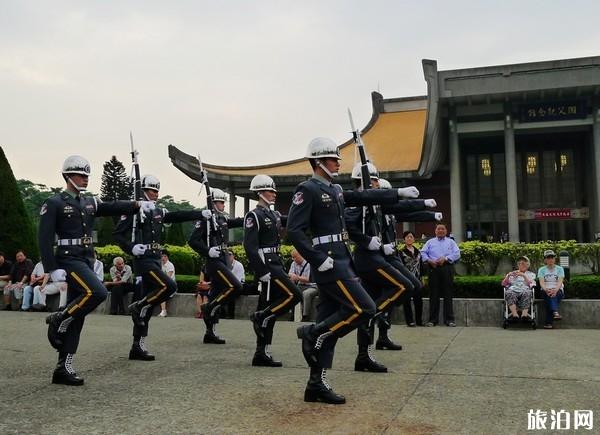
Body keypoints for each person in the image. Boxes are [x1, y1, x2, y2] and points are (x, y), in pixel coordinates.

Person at [286, 137, 420, 404]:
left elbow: (363, 196)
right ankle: (313, 334)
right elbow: (294, 230)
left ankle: (316, 384)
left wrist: (396, 193)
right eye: (334, 158)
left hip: (341, 260)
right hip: (329, 263)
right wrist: (316, 258)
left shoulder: (335, 190)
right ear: (319, 162)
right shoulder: (307, 189)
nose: (338, 162)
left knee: (330, 316)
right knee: (364, 309)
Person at [40, 155, 153, 385]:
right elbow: (43, 238)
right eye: (81, 175)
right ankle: (58, 318)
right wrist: (52, 269)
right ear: (68, 176)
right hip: (69, 260)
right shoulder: (54, 203)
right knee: (98, 292)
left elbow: (112, 206)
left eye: (87, 176)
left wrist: (136, 205)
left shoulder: (88, 202)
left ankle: (63, 367)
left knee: (77, 317)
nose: (85, 179)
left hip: (85, 259)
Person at [114, 174, 204, 361]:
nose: (155, 194)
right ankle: (138, 306)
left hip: (155, 259)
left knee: (146, 310)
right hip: (143, 260)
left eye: (156, 191)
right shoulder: (134, 210)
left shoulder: (157, 211)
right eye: (151, 190)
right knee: (169, 286)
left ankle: (137, 346)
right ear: (143, 190)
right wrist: (131, 248)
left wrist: (199, 213)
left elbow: (176, 216)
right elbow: (118, 235)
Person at [244, 174, 302, 367]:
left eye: (275, 190)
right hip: (267, 265)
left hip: (276, 262)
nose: (274, 194)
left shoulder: (273, 214)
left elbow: (292, 220)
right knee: (294, 295)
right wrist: (261, 271)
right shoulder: (254, 216)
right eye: (270, 190)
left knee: (267, 309)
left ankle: (262, 353)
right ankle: (260, 317)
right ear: (260, 192)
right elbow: (250, 248)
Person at [189, 187, 244, 345]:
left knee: (216, 294)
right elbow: (193, 241)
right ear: (212, 203)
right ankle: (209, 307)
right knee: (236, 287)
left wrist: (251, 217)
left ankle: (210, 332)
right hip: (214, 262)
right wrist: (207, 251)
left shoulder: (222, 219)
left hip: (223, 260)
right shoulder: (205, 219)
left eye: (223, 202)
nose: (223, 204)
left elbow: (237, 221)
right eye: (220, 202)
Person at [421, 223, 461, 327]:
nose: (440, 231)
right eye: (438, 229)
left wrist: (446, 258)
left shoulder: (451, 242)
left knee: (448, 294)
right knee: (433, 294)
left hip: (447, 268)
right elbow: (423, 253)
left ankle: (449, 320)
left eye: (443, 229)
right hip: (433, 269)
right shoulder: (430, 242)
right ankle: (433, 320)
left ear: (446, 231)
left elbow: (457, 254)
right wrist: (429, 260)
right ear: (435, 231)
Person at [398, 231, 424, 327]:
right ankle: (410, 321)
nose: (409, 238)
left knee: (419, 301)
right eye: (407, 237)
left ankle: (419, 321)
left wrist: (423, 277)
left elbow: (421, 265)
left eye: (411, 237)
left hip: (417, 279)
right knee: (407, 301)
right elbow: (400, 266)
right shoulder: (401, 252)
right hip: (406, 279)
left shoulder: (418, 251)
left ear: (413, 239)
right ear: (404, 239)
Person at [502, 255, 536, 321]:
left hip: (524, 290)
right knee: (509, 292)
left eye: (523, 263)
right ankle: (515, 315)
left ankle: (524, 315)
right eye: (519, 263)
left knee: (528, 292)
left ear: (527, 265)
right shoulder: (513, 273)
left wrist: (524, 276)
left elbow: (531, 285)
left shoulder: (531, 274)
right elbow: (504, 284)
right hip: (513, 290)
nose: (521, 265)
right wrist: (508, 276)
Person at [538, 250, 565, 329]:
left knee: (551, 297)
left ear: (554, 259)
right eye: (548, 258)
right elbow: (541, 282)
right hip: (545, 290)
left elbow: (560, 281)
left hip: (558, 290)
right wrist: (546, 289)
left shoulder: (560, 269)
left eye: (552, 257)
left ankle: (548, 323)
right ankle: (555, 313)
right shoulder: (541, 270)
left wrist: (555, 290)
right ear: (545, 260)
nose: (550, 259)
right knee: (549, 296)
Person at [288, 249, 317, 322]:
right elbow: (290, 274)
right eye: (292, 257)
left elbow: (310, 279)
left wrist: (297, 277)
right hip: (300, 285)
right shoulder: (293, 263)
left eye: (295, 257)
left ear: (301, 255)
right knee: (291, 292)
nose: (293, 259)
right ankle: (291, 314)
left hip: (313, 286)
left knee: (306, 294)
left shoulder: (310, 264)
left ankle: (305, 316)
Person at [223, 252, 244, 319]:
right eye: (227, 255)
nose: (229, 256)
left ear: (233, 256)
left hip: (239, 285)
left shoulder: (238, 265)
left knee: (231, 293)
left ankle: (231, 315)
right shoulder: (224, 265)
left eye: (230, 255)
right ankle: (221, 313)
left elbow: (238, 280)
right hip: (228, 285)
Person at [158, 251, 175, 317]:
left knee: (162, 292)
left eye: (165, 256)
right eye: (162, 256)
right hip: (162, 285)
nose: (163, 258)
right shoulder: (159, 265)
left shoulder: (170, 265)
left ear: (168, 257)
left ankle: (163, 311)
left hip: (171, 286)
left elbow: (167, 278)